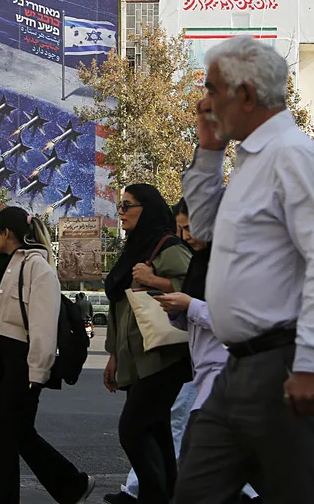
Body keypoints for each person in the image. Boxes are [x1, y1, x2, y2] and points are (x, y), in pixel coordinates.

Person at [174, 36, 314, 503]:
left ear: (246, 96)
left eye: (212, 89)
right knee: (194, 490)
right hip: (239, 367)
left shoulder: (294, 156)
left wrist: (313, 363)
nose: (203, 101)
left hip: (285, 363)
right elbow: (206, 226)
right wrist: (209, 152)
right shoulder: (251, 159)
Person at [0, 206, 95, 504]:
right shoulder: (5, 266)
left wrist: (38, 372)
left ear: (8, 233)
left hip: (25, 365)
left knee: (1, 439)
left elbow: (43, 328)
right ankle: (72, 485)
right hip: (8, 362)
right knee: (17, 434)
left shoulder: (38, 268)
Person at [154, 199, 260, 503]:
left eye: (190, 228)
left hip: (229, 377)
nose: (186, 236)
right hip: (207, 376)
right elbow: (200, 324)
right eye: (181, 229)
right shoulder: (201, 261)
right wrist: (177, 311)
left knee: (195, 466)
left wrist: (190, 305)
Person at [103, 184, 193, 504]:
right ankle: (168, 494)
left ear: (147, 208)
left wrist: (154, 280)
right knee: (157, 431)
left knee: (133, 429)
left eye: (127, 206)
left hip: (164, 357)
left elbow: (199, 288)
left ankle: (154, 497)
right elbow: (120, 305)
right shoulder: (136, 249)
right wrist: (113, 356)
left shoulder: (167, 247)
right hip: (137, 358)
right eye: (120, 206)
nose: (121, 213)